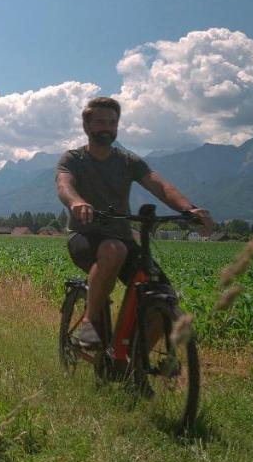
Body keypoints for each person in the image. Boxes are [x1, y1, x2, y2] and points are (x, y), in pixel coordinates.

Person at [55, 96, 214, 348]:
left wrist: (188, 209)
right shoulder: (73, 159)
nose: (106, 127)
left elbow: (159, 184)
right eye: (100, 122)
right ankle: (90, 322)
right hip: (85, 237)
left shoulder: (128, 161)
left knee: (162, 294)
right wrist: (76, 203)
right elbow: (65, 185)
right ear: (87, 127)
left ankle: (129, 365)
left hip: (122, 239)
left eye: (112, 122)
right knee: (112, 249)